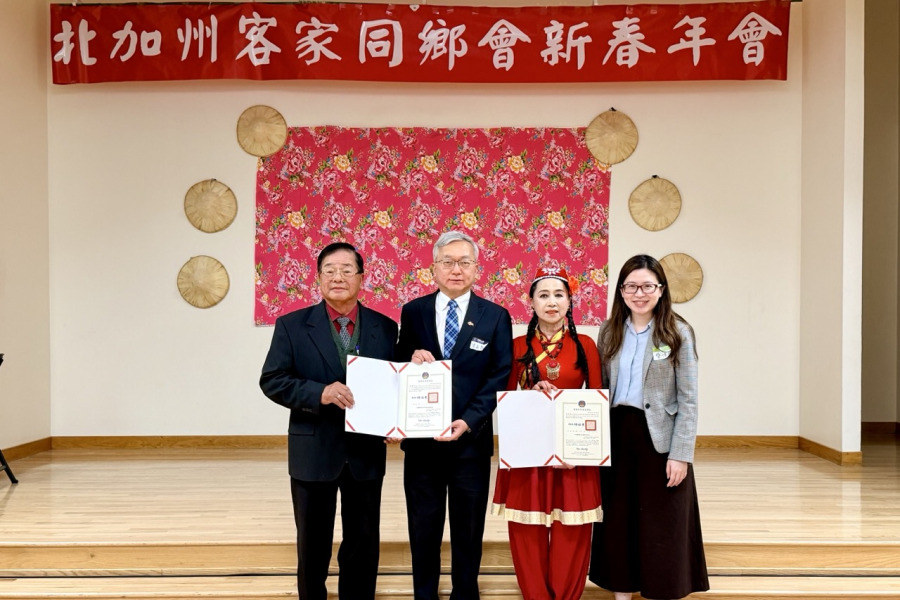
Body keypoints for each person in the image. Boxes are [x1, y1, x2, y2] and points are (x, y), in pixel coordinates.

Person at [259, 242, 398, 600]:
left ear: (362, 278)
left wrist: (396, 421)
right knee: (312, 544)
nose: (338, 277)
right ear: (318, 277)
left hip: (366, 452)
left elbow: (395, 383)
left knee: (363, 542)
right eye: (330, 271)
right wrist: (318, 393)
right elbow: (272, 380)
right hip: (314, 450)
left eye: (347, 270)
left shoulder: (386, 328)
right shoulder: (291, 326)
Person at [397, 231, 513, 600]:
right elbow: (397, 364)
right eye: (447, 262)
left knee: (468, 530)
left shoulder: (495, 316)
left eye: (464, 262)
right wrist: (410, 358)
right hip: (422, 444)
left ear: (477, 269)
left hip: (471, 444)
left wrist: (469, 421)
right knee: (423, 528)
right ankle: (424, 595)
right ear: (433, 268)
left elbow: (499, 375)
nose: (456, 269)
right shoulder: (413, 311)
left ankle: (465, 594)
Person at [588, 254, 709, 600]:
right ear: (621, 291)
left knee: (663, 520)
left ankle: (662, 590)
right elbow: (601, 386)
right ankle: (622, 592)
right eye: (631, 287)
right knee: (618, 517)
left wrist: (681, 454)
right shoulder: (609, 330)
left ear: (661, 289)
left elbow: (688, 399)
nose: (639, 294)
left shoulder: (677, 332)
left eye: (647, 286)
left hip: (659, 436)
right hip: (617, 431)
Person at [491, 266, 603, 600]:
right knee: (527, 531)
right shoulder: (516, 346)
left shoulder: (585, 345)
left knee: (572, 531)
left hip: (573, 454)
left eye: (558, 295)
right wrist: (530, 394)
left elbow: (597, 399)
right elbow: (505, 401)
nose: (551, 302)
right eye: (543, 295)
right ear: (531, 302)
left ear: (569, 301)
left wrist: (582, 450)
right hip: (528, 452)